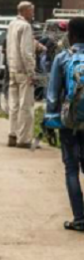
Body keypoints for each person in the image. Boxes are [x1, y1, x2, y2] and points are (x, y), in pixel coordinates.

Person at [45, 16, 84, 233]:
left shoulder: (62, 58)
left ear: (71, 35)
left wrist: (50, 122)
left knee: (71, 169)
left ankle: (79, 219)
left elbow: (52, 95)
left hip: (69, 121)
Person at [6, 2, 37, 148]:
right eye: (31, 11)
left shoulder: (12, 24)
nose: (33, 14)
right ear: (24, 11)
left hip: (12, 68)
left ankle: (12, 134)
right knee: (26, 106)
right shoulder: (25, 26)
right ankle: (23, 139)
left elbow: (9, 47)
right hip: (24, 71)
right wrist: (31, 71)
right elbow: (26, 51)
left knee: (14, 105)